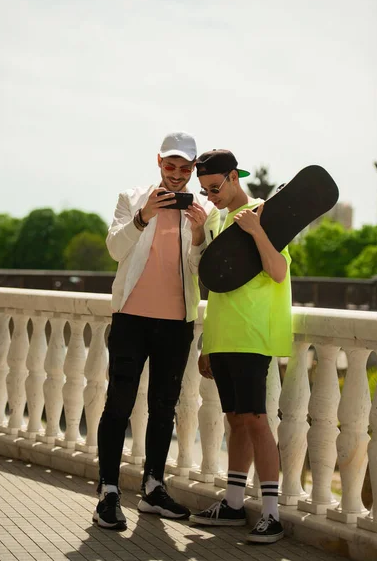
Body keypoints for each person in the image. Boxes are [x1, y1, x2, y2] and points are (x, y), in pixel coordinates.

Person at [93, 132, 220, 530]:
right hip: (130, 317)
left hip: (176, 323)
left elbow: (207, 273)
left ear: (194, 169)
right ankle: (108, 493)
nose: (178, 175)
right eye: (171, 166)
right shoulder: (132, 198)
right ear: (159, 161)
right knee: (119, 403)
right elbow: (115, 249)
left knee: (164, 407)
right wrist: (143, 215)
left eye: (186, 168)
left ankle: (152, 488)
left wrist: (199, 235)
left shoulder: (205, 208)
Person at [189, 149, 292, 544]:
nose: (210, 195)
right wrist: (208, 342)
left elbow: (278, 272)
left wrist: (256, 231)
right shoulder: (215, 218)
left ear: (234, 177)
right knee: (234, 418)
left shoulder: (264, 213)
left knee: (256, 420)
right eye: (205, 189)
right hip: (223, 333)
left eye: (215, 187)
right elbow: (212, 281)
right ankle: (233, 504)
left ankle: (271, 514)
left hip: (253, 334)